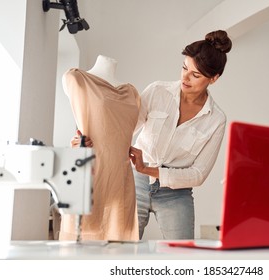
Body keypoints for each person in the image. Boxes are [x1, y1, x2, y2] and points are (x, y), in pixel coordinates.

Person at [129, 30, 232, 240]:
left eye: (196, 75)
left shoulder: (216, 119)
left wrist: (148, 169)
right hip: (135, 181)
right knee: (120, 249)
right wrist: (92, 139)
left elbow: (198, 174)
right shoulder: (157, 91)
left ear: (214, 78)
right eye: (185, 68)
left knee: (183, 257)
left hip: (176, 192)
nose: (185, 77)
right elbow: (124, 128)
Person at [61, 55, 140, 241]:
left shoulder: (132, 93)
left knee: (118, 250)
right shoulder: (76, 79)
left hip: (121, 178)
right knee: (79, 248)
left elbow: (123, 132)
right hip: (90, 173)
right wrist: (76, 141)